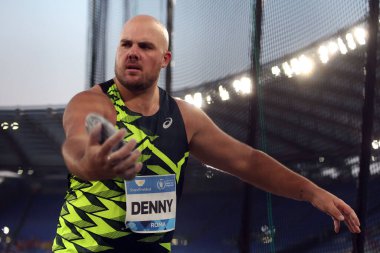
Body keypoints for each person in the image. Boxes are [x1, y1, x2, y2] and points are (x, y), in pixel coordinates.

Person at [52, 14, 361, 253]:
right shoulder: (93, 102)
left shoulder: (184, 117)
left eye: (145, 46)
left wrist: (312, 192)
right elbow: (76, 145)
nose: (132, 52)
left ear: (165, 59)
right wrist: (89, 163)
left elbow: (247, 161)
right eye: (125, 44)